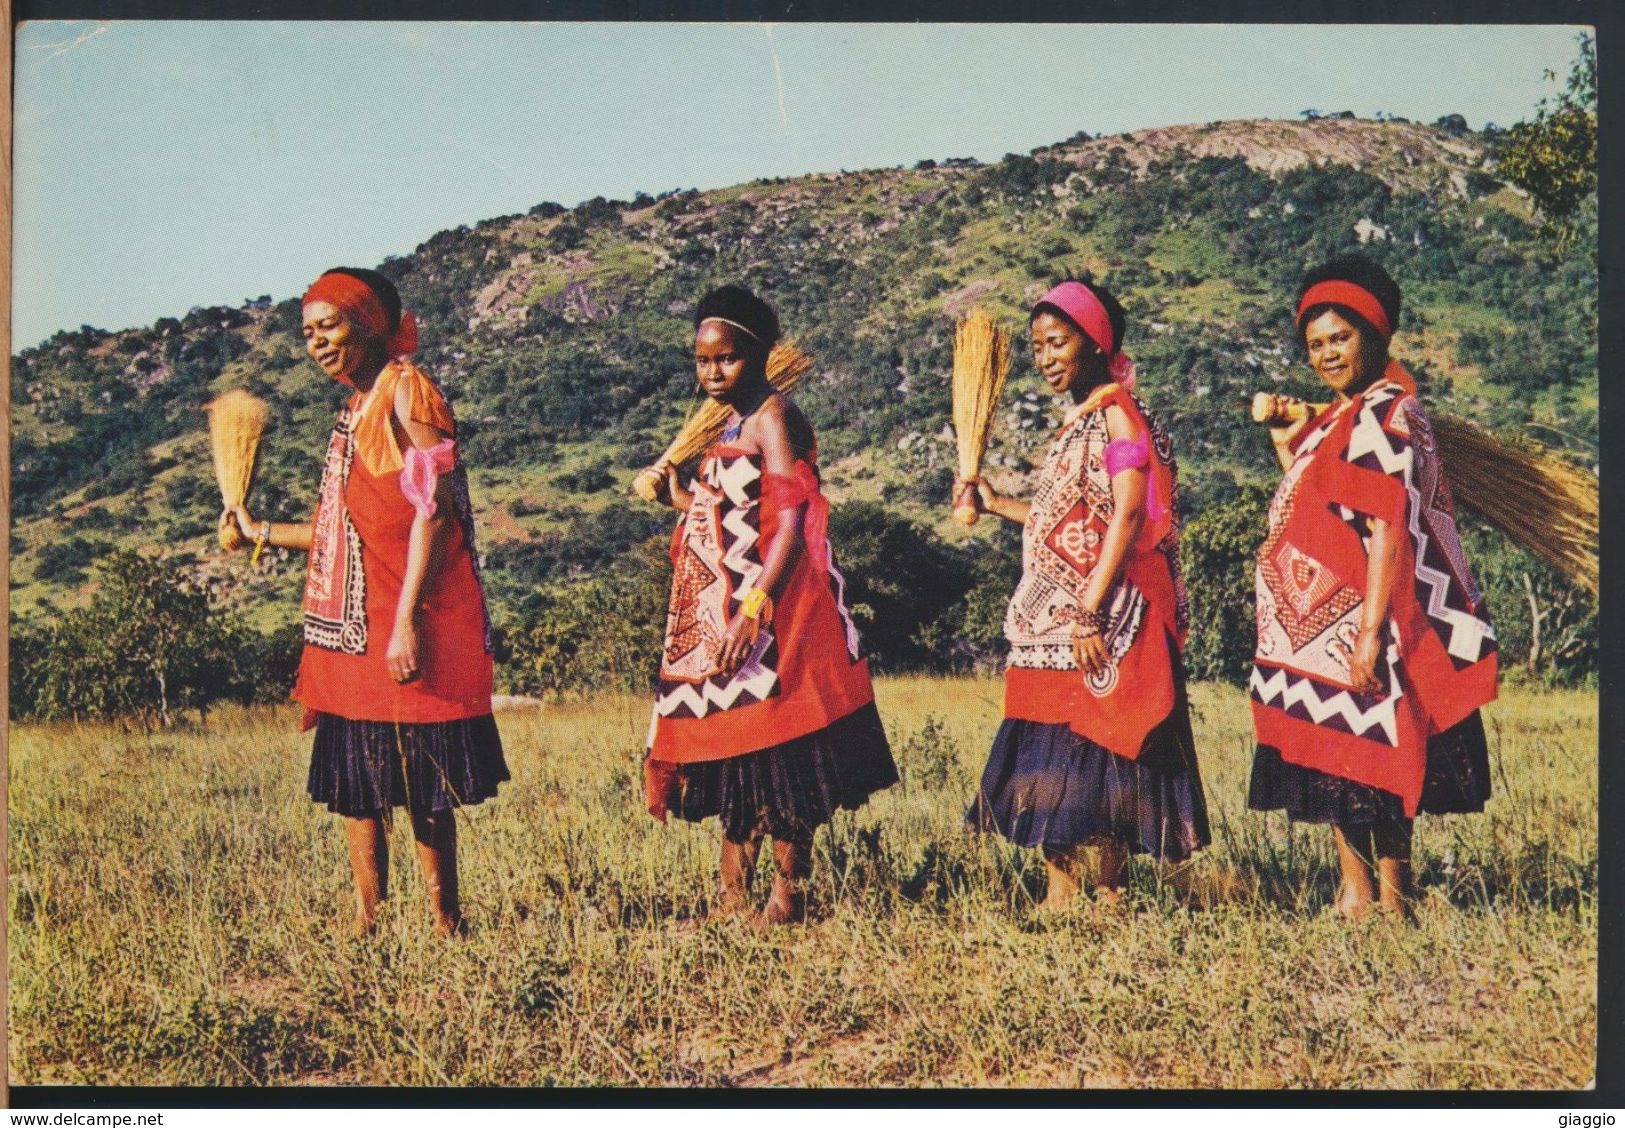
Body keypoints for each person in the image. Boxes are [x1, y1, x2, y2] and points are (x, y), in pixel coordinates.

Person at [222, 267, 506, 937]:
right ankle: (365, 921)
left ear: (371, 324)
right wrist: (256, 531)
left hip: (408, 612)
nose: (316, 343)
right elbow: (337, 531)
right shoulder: (354, 407)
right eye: (307, 333)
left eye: (329, 326)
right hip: (353, 622)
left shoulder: (409, 393)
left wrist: (405, 621)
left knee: (424, 779)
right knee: (359, 776)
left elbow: (436, 515)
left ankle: (445, 921)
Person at [1249, 253, 1497, 921]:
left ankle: (1392, 898)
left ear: (1375, 335)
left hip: (1365, 616)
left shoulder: (1387, 411)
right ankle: (1355, 892)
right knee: (1339, 759)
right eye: (1315, 344)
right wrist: (1284, 440)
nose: (1327, 354)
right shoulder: (1344, 415)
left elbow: (1385, 523)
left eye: (1340, 337)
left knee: (1381, 756)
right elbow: (1318, 500)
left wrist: (1366, 632)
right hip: (1317, 625)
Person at [644, 284, 898, 927]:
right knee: (740, 757)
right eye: (702, 361)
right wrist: (677, 496)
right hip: (728, 611)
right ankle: (731, 902)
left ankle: (788, 898)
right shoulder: (730, 424)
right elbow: (731, 514)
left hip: (778, 612)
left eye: (725, 358)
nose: (711, 371)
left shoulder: (774, 418)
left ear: (759, 354)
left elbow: (791, 520)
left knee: (782, 756)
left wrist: (752, 610)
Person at [963, 279, 1209, 911]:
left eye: (1058, 342)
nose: (1046, 357)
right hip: (1064, 623)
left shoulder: (1120, 418)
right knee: (1068, 753)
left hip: (1102, 619)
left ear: (1097, 342)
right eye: (1038, 347)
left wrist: (1087, 610)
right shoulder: (1083, 424)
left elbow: (1128, 516)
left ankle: (1094, 892)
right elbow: (1063, 520)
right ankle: (1076, 891)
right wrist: (995, 505)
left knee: (1095, 754)